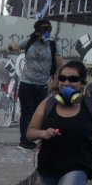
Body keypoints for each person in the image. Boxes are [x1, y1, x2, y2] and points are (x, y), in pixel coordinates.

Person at [10, 19, 63, 151]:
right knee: (26, 112)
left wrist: (54, 81)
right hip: (27, 83)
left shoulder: (53, 44)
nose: (45, 34)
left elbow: (59, 64)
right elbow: (12, 46)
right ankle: (25, 141)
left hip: (43, 84)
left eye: (47, 31)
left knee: (39, 113)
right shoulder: (29, 41)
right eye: (42, 31)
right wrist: (12, 46)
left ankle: (38, 139)